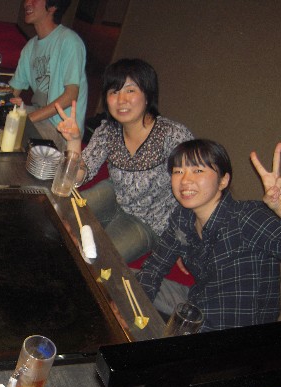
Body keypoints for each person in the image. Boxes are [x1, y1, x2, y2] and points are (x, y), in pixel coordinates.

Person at [136, 139, 281, 332]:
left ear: (223, 181)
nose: (185, 180)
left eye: (198, 170)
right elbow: (154, 268)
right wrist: (133, 307)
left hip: (234, 329)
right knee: (127, 281)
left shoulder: (247, 217)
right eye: (178, 171)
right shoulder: (183, 217)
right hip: (196, 306)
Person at [56, 58, 194, 262]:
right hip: (115, 193)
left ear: (147, 96)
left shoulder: (173, 136)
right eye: (114, 91)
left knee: (98, 261)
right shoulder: (108, 131)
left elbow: (195, 189)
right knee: (61, 215)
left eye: (130, 90)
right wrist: (75, 141)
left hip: (149, 220)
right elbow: (77, 177)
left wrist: (183, 241)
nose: (121, 100)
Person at [9, 0, 87, 151]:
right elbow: (13, 90)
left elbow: (71, 95)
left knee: (14, 136)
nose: (27, 3)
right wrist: (2, 102)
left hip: (62, 129)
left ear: (52, 6)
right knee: (1, 122)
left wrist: (27, 120)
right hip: (38, 115)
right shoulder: (30, 47)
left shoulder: (70, 41)